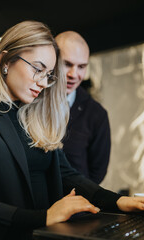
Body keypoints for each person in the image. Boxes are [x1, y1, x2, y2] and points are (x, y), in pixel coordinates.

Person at [0, 20, 144, 240]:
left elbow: (67, 174)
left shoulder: (36, 117)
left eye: (48, 75)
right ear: (5, 60)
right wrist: (44, 217)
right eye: (37, 69)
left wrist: (116, 201)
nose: (44, 83)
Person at [55, 31, 111, 184]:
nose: (74, 74)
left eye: (81, 66)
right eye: (67, 64)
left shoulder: (97, 114)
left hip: (76, 203)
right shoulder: (30, 102)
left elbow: (97, 172)